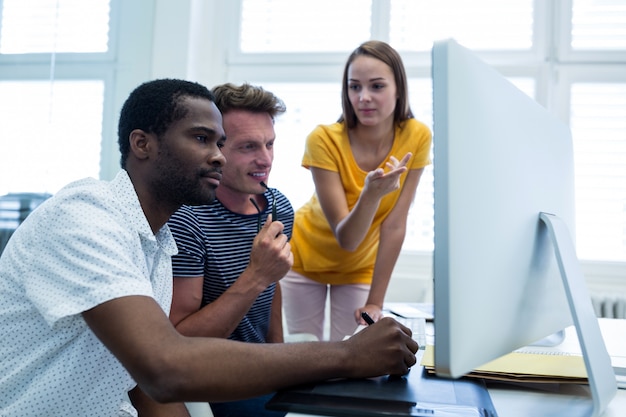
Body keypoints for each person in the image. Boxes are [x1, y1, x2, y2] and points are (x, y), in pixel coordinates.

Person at [0, 78, 418, 417]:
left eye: (220, 143)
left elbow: (141, 383)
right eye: (203, 139)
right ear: (142, 144)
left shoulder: (156, 242)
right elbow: (166, 368)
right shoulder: (85, 217)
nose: (217, 156)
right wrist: (346, 355)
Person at [281, 40, 433, 341]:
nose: (363, 97)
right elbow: (347, 237)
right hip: (304, 257)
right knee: (302, 356)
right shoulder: (323, 139)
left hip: (359, 267)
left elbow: (394, 225)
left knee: (353, 357)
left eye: (377, 86)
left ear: (398, 88)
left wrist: (376, 301)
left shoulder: (417, 136)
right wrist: (372, 194)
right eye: (354, 87)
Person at [167, 83, 293, 417]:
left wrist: (281, 357)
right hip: (215, 380)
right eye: (249, 146)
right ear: (216, 151)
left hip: (264, 370)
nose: (265, 159)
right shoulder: (187, 220)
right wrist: (257, 274)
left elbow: (272, 285)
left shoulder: (277, 206)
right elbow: (181, 338)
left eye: (269, 144)